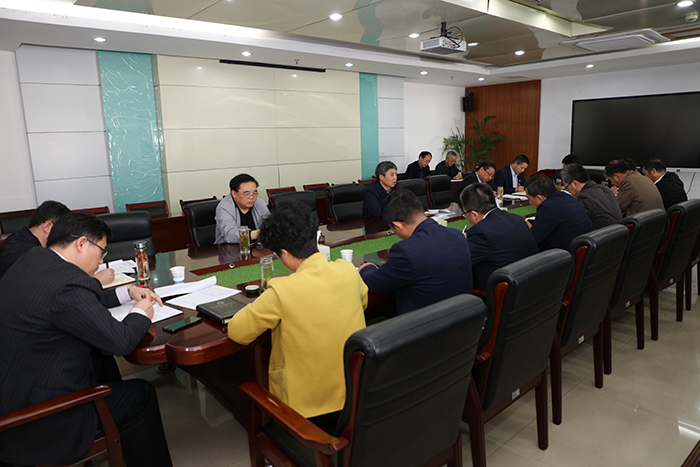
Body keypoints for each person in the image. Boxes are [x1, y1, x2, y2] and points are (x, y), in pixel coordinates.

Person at [0, 212, 172, 467]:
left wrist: (127, 292)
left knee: (101, 361)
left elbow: (76, 302)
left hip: (14, 391)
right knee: (141, 395)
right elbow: (121, 342)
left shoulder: (35, 258)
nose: (101, 261)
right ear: (81, 244)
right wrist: (140, 313)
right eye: (101, 252)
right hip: (35, 420)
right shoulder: (68, 283)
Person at [228, 202, 366, 428]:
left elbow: (237, 332)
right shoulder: (347, 270)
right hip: (357, 394)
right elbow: (363, 301)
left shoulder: (282, 290)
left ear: (283, 253)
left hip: (305, 414)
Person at [358, 189, 472, 315]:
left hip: (424, 323)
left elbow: (376, 284)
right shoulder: (458, 235)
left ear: (398, 226)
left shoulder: (406, 250)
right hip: (464, 319)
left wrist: (367, 268)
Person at [0, 200, 114, 285]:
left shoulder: (22, 238)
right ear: (47, 227)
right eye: (62, 229)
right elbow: (54, 286)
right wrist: (95, 281)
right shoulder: (26, 254)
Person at [460, 183, 538, 290]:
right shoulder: (517, 219)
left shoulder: (481, 232)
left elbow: (460, 261)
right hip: (530, 285)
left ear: (474, 214)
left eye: (465, 214)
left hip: (503, 293)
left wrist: (460, 241)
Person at [524, 174, 593, 251]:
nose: (530, 202)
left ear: (539, 197)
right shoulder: (567, 197)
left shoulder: (548, 207)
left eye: (529, 198)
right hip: (582, 249)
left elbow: (532, 240)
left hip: (565, 254)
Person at [561, 163, 622, 229]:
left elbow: (574, 224)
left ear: (574, 183)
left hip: (601, 234)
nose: (569, 192)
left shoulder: (584, 198)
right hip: (618, 232)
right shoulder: (605, 189)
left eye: (567, 187)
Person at [215, 173, 271, 244]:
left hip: (256, 247)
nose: (252, 197)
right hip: (230, 248)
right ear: (234, 194)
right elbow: (230, 235)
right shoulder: (224, 208)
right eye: (247, 193)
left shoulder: (260, 203)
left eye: (254, 193)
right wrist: (259, 233)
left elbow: (269, 224)